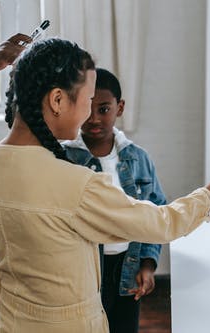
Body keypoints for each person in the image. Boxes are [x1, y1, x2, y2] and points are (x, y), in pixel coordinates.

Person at [0, 38, 210, 333]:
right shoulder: (76, 183)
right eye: (87, 99)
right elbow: (163, 223)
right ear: (58, 100)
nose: (89, 113)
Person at [63, 68, 165, 333]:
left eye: (104, 109)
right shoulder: (64, 159)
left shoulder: (138, 159)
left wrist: (147, 263)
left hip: (127, 267)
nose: (94, 118)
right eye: (88, 109)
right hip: (81, 270)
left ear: (119, 108)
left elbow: (155, 211)